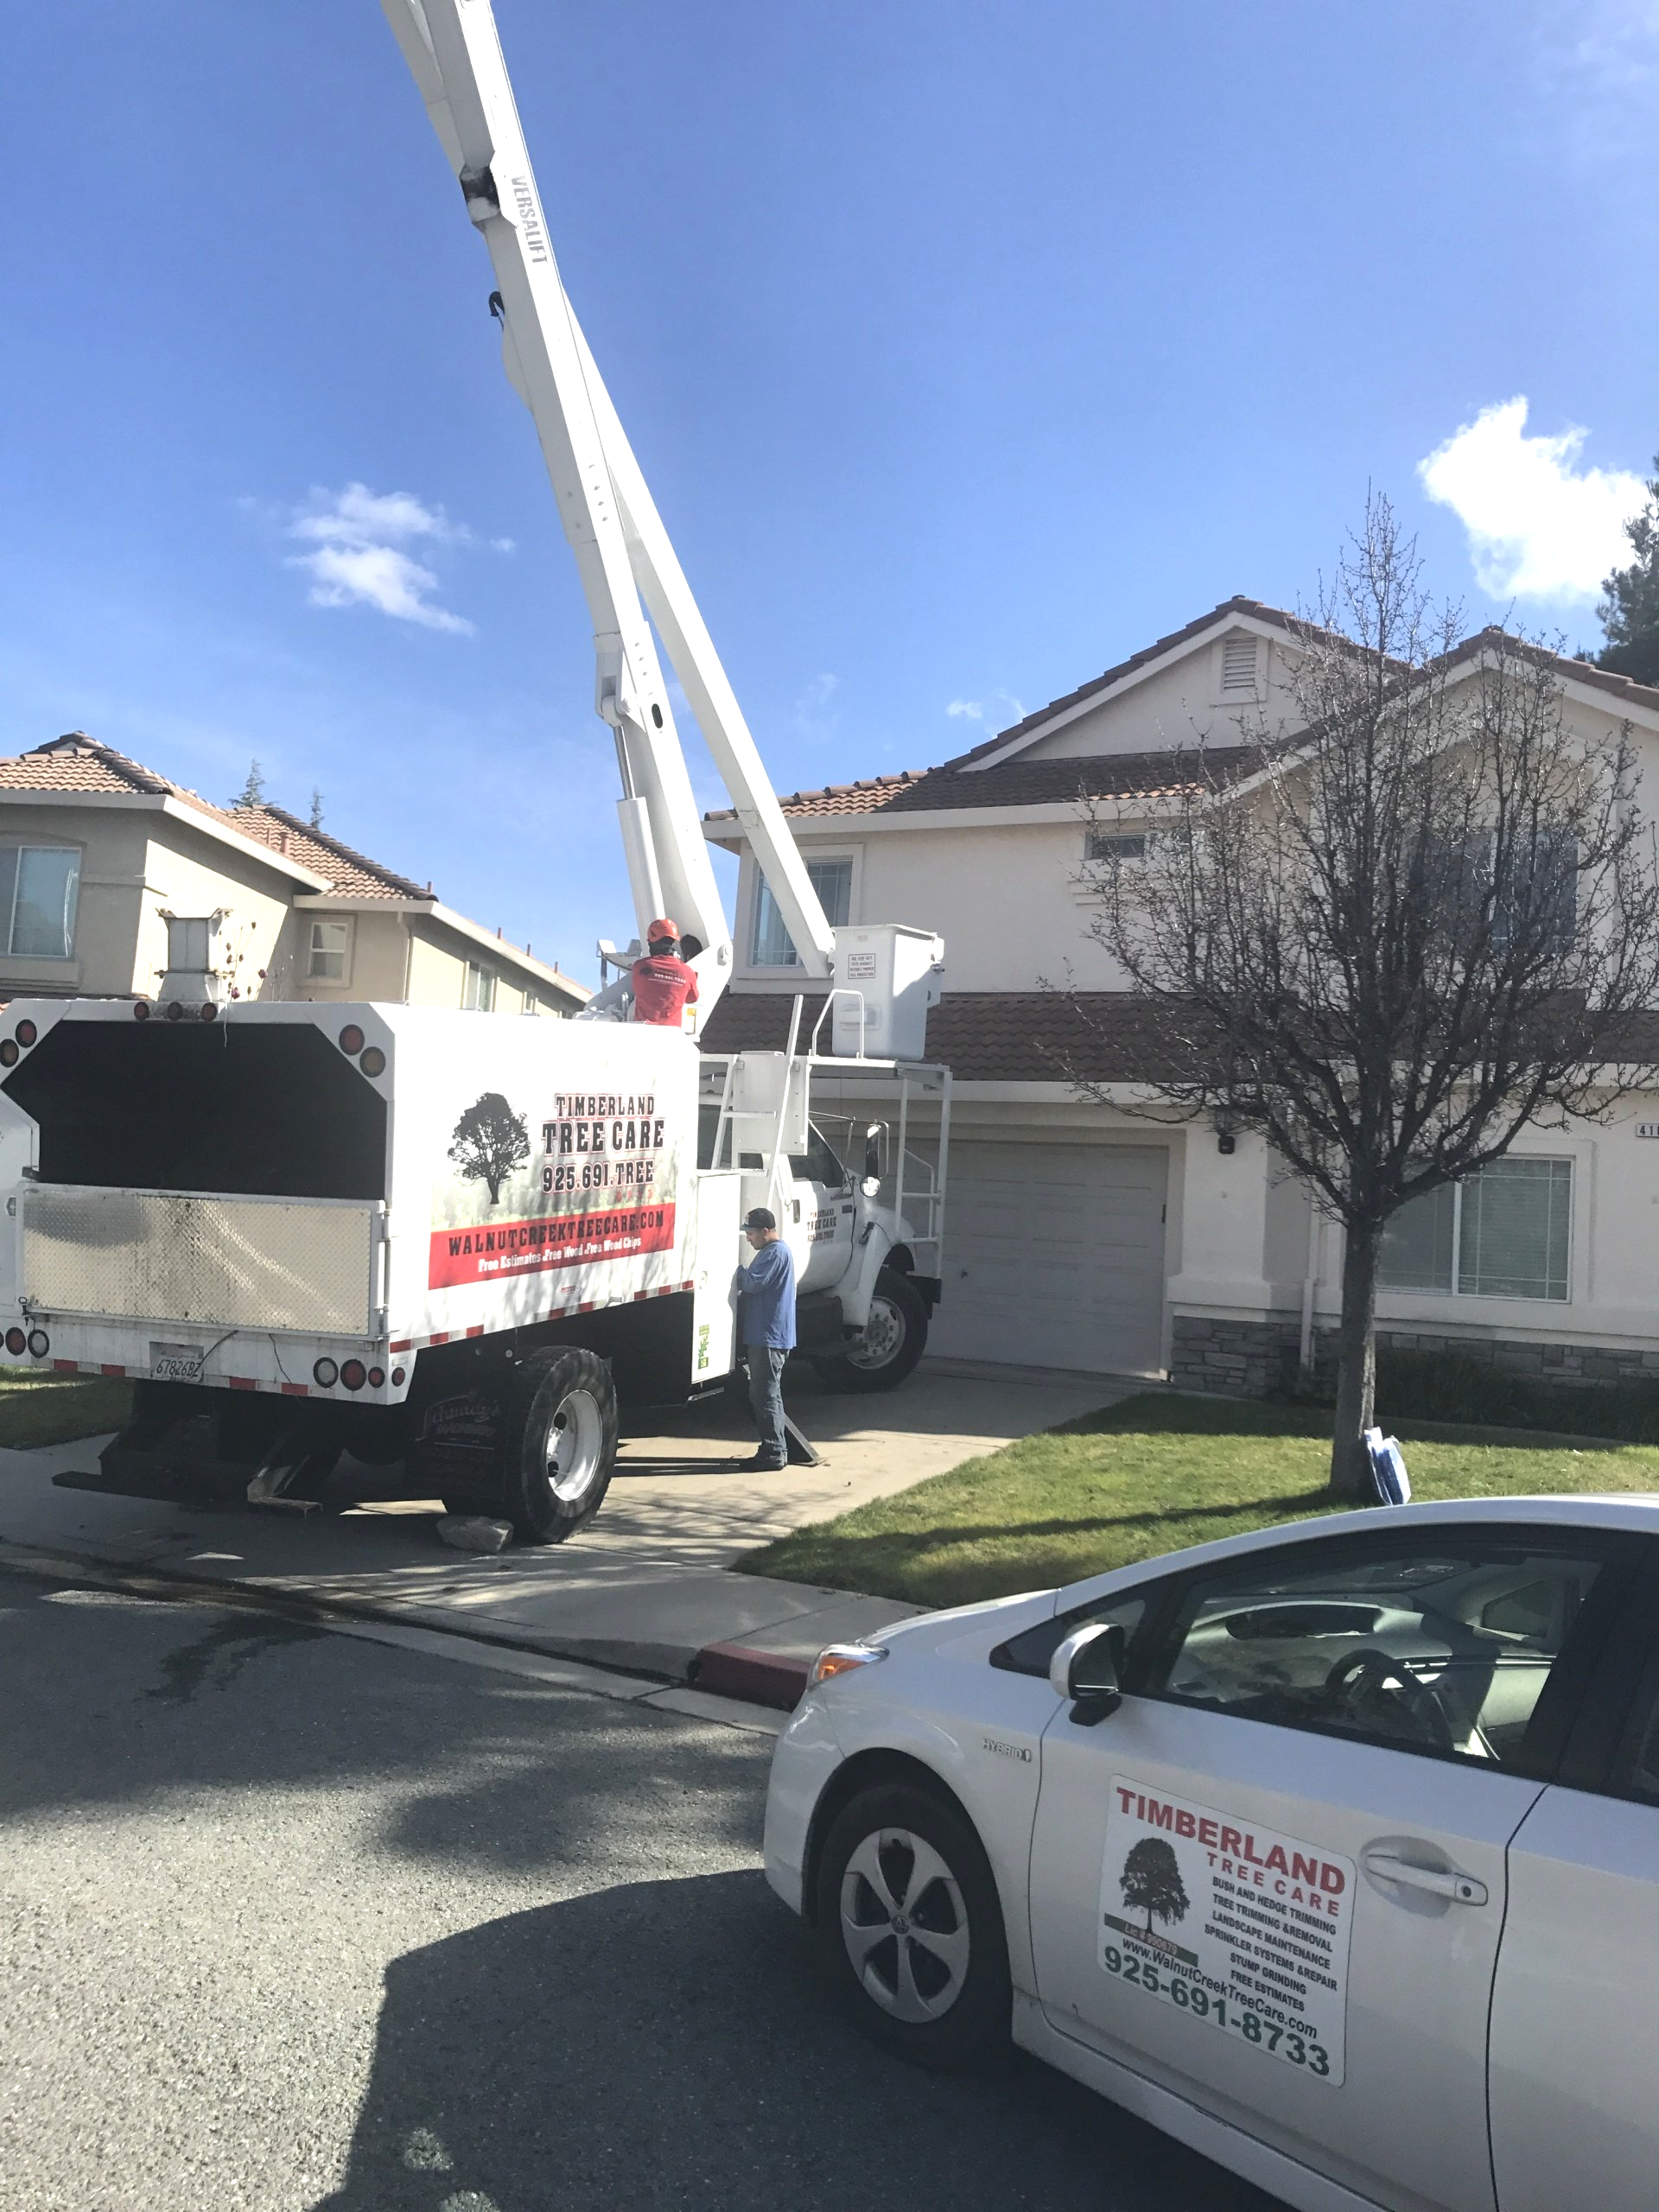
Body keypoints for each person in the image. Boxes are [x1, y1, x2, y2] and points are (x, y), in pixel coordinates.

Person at [733, 1205, 796, 1471]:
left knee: (765, 1395)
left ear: (766, 1231)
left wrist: (735, 1270)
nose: (748, 1238)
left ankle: (773, 1453)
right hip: (769, 1335)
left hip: (769, 1336)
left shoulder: (775, 1253)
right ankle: (775, 1449)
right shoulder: (776, 1252)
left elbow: (751, 1283)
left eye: (751, 1233)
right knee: (769, 1395)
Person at [629, 919, 700, 1027]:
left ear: (651, 941)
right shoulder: (687, 972)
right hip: (671, 1036)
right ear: (674, 941)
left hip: (643, 1034)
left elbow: (638, 990)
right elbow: (692, 998)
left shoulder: (640, 967)